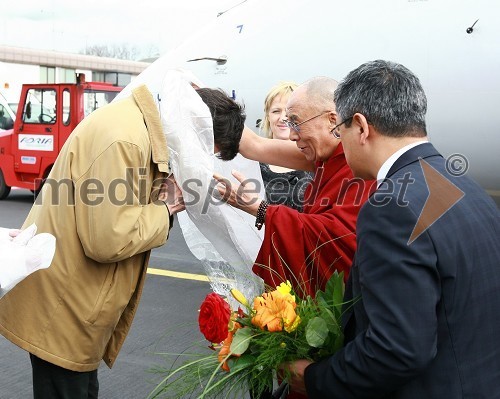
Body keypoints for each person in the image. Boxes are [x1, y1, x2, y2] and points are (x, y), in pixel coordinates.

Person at [0, 82, 245, 398]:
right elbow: (108, 240)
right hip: (66, 307)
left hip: (74, 301)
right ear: (195, 127)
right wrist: (166, 207)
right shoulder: (125, 140)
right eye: (202, 150)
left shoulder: (134, 129)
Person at [288, 60, 500, 398]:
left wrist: (316, 378)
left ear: (360, 126)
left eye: (340, 130)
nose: (340, 142)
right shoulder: (463, 184)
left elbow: (397, 350)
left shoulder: (391, 207)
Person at [215, 76, 374, 297]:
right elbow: (253, 145)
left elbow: (337, 243)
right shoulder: (324, 155)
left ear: (332, 119)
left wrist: (259, 209)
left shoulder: (361, 163)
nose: (291, 134)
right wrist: (207, 100)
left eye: (296, 122)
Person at [259, 81, 313, 211]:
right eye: (276, 111)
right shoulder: (253, 161)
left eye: (290, 112)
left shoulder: (316, 158)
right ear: (267, 117)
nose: (283, 117)